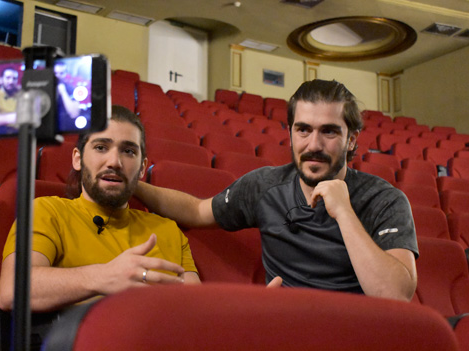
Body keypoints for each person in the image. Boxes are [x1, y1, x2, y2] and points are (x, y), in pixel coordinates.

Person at [136, 79, 418, 301]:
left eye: (329, 131)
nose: (314, 145)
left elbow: (395, 295)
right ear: (291, 134)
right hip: (287, 326)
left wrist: (344, 212)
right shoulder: (265, 186)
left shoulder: (384, 200)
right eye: (303, 130)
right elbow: (197, 211)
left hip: (359, 333)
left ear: (352, 140)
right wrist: (132, 185)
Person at [0, 105, 201, 313]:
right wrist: (104, 277)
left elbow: (198, 310)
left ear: (142, 168)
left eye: (128, 151)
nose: (114, 162)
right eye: (101, 147)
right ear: (78, 159)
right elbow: (12, 291)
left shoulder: (169, 230)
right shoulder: (46, 211)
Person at [54, 61, 82, 130]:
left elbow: (74, 113)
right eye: (55, 73)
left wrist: (63, 92)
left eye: (61, 73)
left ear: (66, 73)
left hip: (65, 126)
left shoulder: (70, 89)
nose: (57, 76)